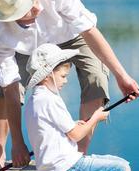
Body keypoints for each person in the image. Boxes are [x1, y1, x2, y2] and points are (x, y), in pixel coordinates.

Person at [0, 0, 139, 170]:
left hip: (72, 34)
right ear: (10, 17)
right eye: (27, 10)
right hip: (25, 48)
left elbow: (90, 31)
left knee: (97, 78)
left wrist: (122, 76)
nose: (37, 7)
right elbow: (10, 88)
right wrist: (18, 143)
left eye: (32, 0)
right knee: (3, 93)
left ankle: (77, 156)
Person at [25, 43, 130, 171]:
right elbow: (76, 135)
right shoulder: (50, 100)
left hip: (52, 164)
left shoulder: (33, 100)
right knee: (121, 167)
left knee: (117, 161)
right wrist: (96, 117)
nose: (65, 81)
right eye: (63, 76)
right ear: (48, 75)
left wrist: (75, 123)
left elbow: (51, 128)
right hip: (65, 165)